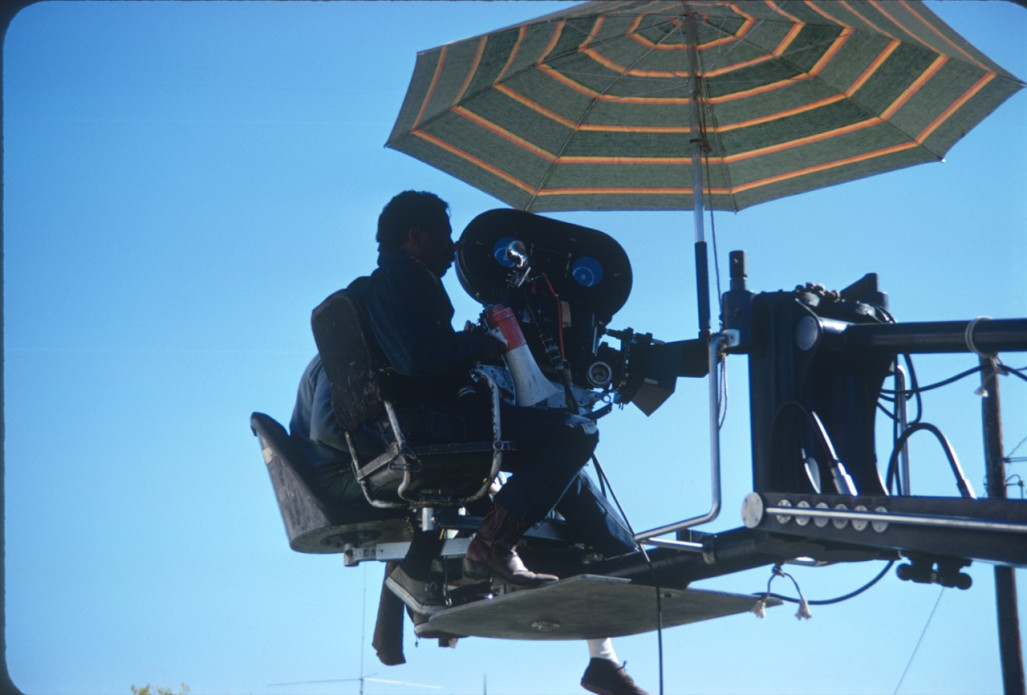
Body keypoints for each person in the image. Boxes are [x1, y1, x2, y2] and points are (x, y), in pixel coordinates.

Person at [292, 190, 648, 695]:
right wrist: (477, 346)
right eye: (442, 231)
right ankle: (504, 546)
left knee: (558, 467)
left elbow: (409, 359)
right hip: (423, 437)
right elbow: (418, 357)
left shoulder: (373, 291)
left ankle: (619, 580)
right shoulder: (403, 280)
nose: (452, 243)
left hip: (409, 439)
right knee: (575, 431)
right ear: (415, 238)